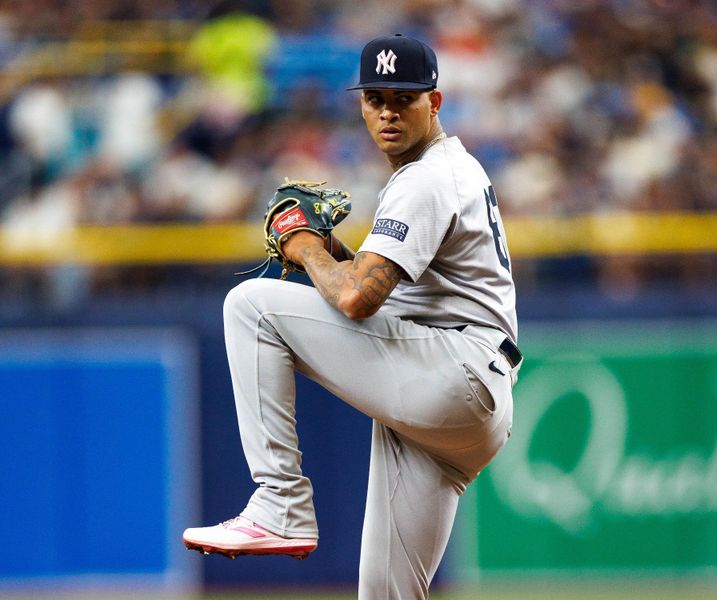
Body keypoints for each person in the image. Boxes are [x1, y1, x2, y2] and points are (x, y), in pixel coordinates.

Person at [182, 33, 521, 599]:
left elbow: (357, 300)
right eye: (375, 99)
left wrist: (302, 244)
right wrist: (328, 247)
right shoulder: (447, 170)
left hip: (452, 371)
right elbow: (372, 283)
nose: (388, 111)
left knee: (252, 306)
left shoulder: (427, 178)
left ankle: (281, 503)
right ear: (361, 104)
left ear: (433, 103)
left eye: (404, 98)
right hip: (460, 394)